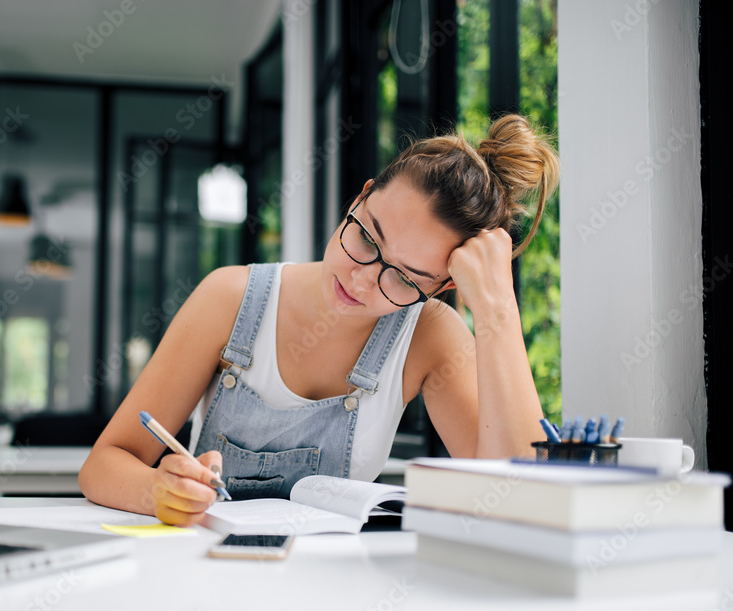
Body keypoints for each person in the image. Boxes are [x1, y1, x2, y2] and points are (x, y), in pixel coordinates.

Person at [79, 114, 560, 527]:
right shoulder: (230, 297)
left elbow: (516, 503)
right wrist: (156, 492)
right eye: (369, 239)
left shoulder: (429, 336)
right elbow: (104, 464)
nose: (362, 278)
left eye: (404, 278)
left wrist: (498, 309)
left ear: (440, 287)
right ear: (359, 199)